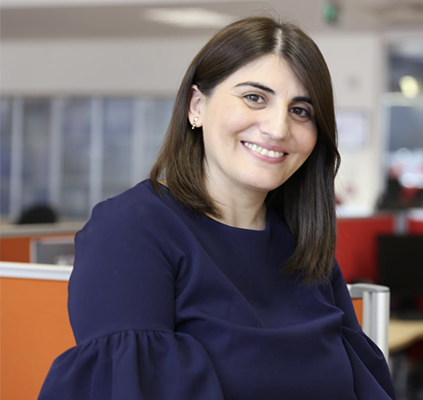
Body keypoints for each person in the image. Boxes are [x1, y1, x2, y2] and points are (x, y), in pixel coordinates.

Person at [38, 16, 395, 400]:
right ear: (196, 106)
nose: (278, 128)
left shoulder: (304, 250)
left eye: (300, 111)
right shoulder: (133, 230)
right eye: (255, 97)